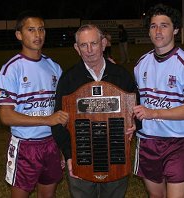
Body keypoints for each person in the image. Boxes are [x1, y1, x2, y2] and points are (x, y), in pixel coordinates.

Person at [51, 24, 136, 198]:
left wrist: (135, 124)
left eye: (94, 43)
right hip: (80, 156)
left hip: (116, 155)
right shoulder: (69, 80)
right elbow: (58, 122)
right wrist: (69, 156)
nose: (89, 50)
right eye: (83, 45)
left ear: (104, 43)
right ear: (77, 48)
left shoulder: (122, 76)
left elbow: (137, 111)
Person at [132, 4, 184, 198]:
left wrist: (153, 113)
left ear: (175, 29)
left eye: (164, 25)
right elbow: (134, 102)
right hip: (147, 141)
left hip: (177, 143)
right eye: (153, 26)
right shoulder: (141, 64)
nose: (157, 31)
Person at [0, 10, 69, 198]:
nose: (38, 35)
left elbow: (61, 111)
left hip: (51, 143)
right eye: (31, 30)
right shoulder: (12, 69)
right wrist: (47, 119)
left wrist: (60, 146)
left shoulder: (54, 67)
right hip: (25, 146)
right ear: (19, 35)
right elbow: (6, 115)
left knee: (48, 194)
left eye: (41, 29)